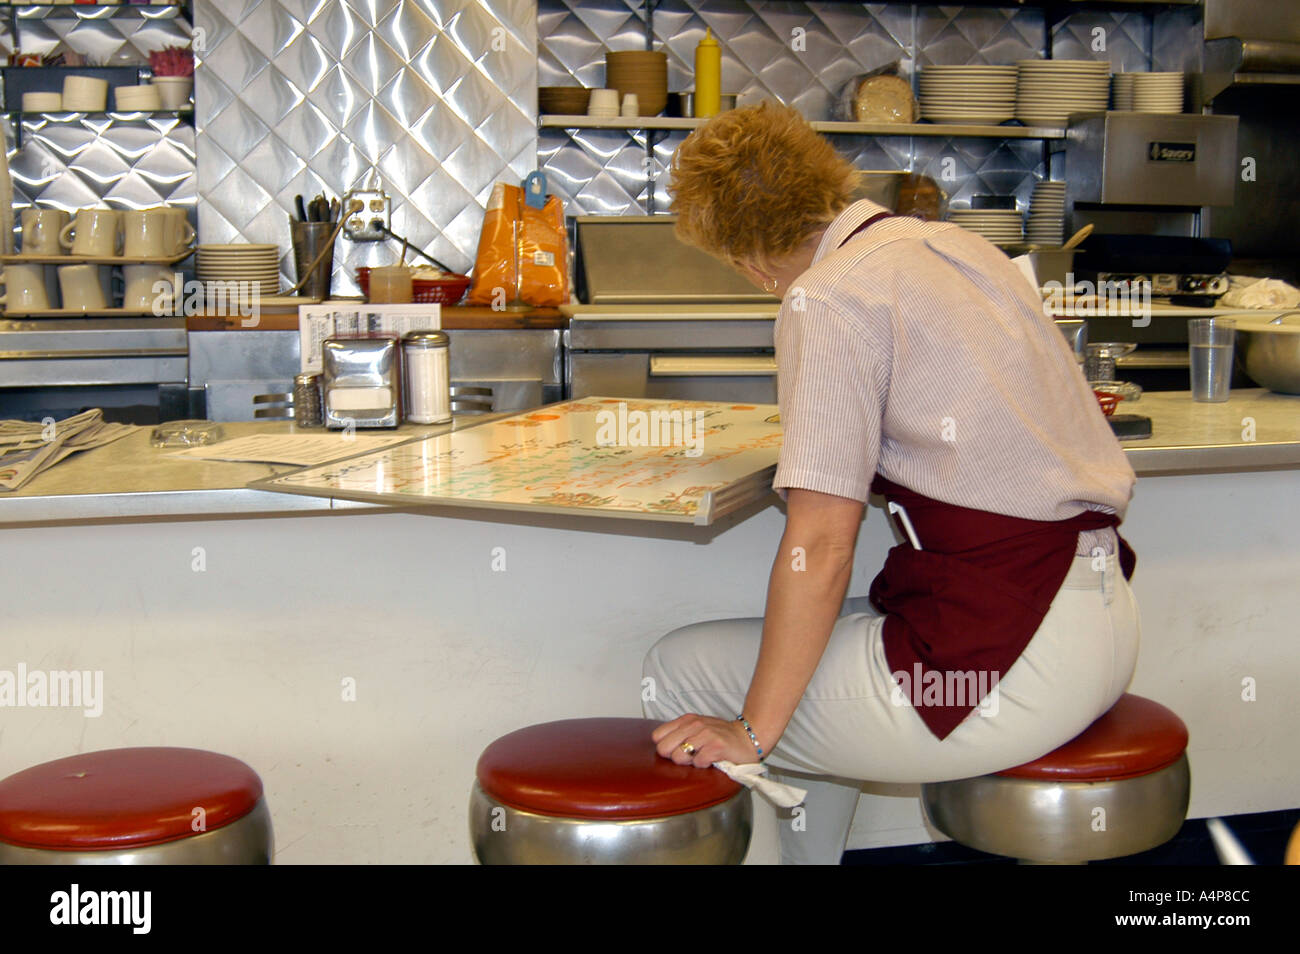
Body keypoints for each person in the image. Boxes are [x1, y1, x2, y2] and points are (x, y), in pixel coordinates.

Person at [641, 101, 1140, 865]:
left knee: (681, 670)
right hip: (1102, 628)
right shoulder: (958, 247)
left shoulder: (827, 294)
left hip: (1017, 659)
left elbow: (821, 543)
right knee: (803, 656)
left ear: (745, 257)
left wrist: (748, 731)